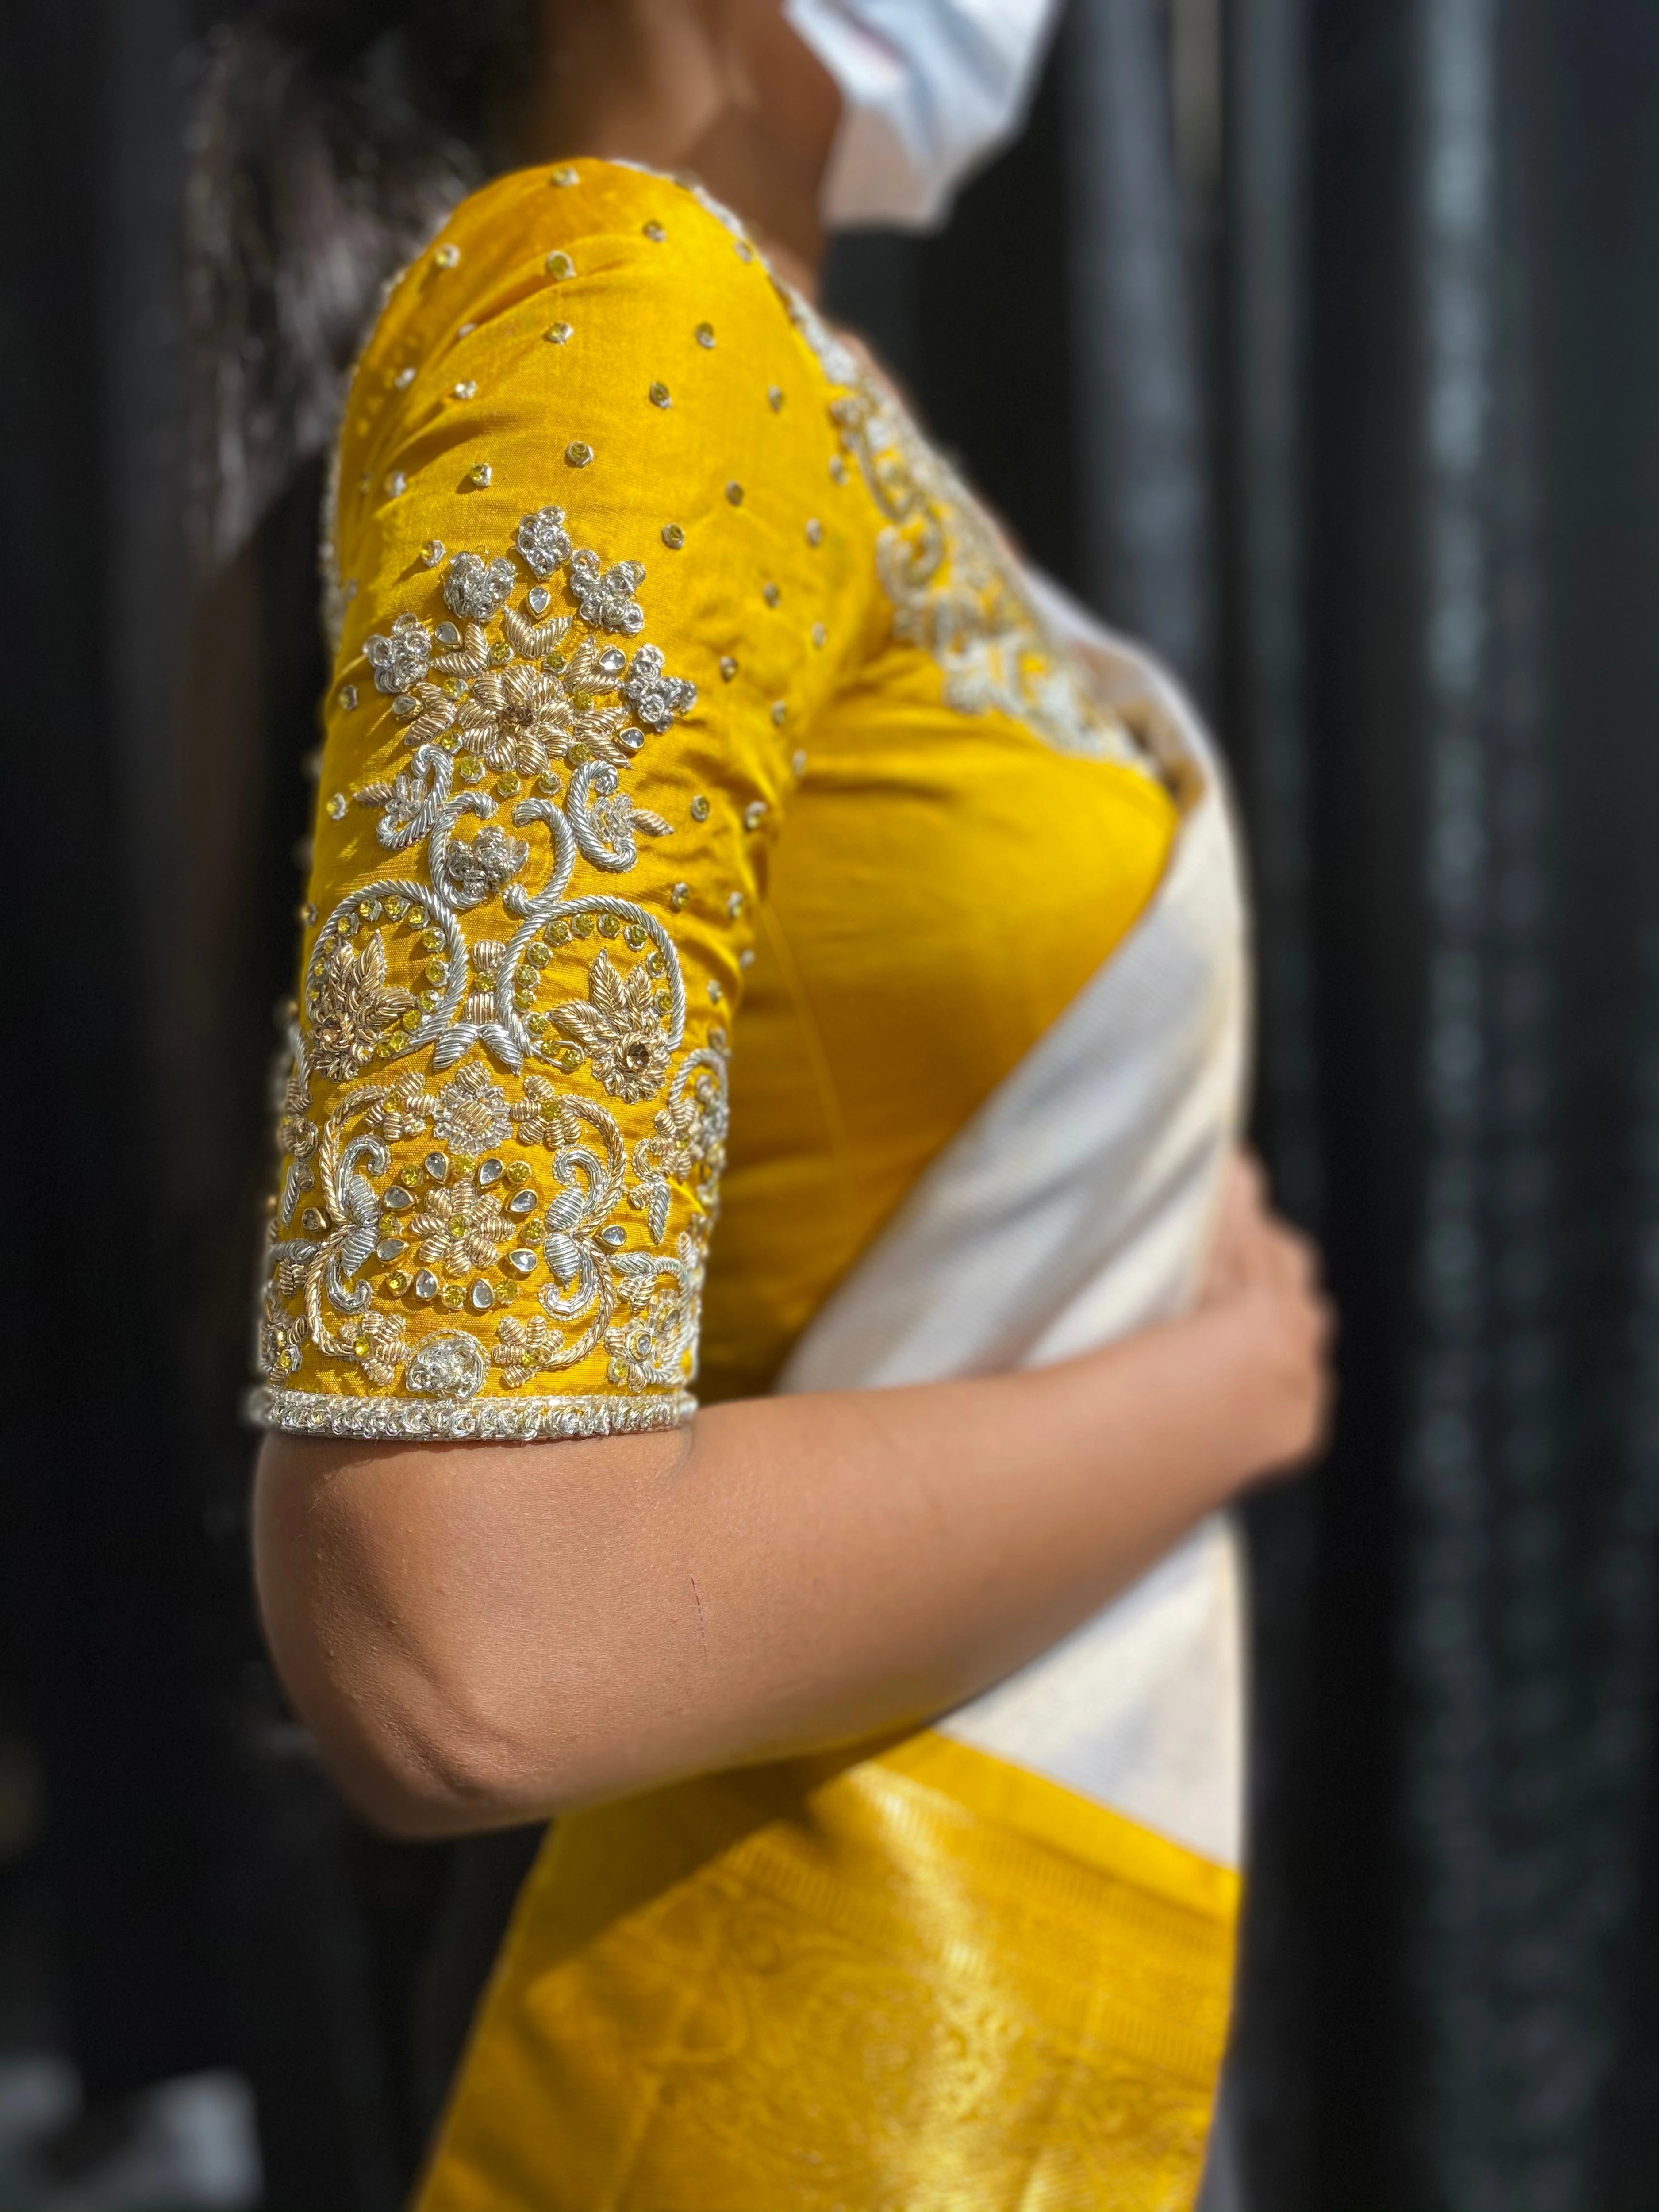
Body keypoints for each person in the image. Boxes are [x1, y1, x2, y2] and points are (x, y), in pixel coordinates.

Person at [212, 1, 1335, 2203]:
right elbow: (464, 1635)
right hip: (784, 2022)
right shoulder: (622, 321)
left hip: (1006, 1918)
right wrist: (1216, 1394)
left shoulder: (777, 365)